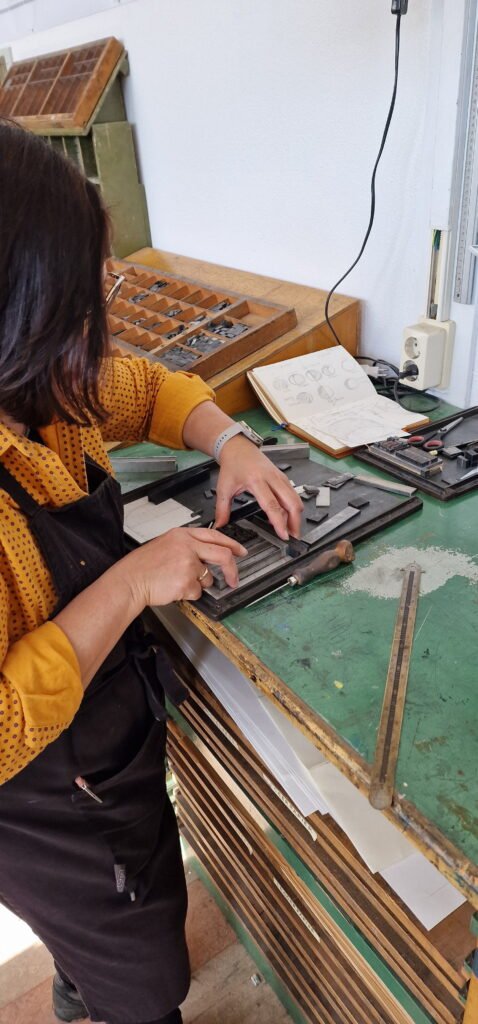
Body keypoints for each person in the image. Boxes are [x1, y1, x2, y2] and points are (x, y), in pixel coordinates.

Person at [0, 119, 302, 1024]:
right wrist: (133, 581)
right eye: (86, 289)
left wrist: (233, 441)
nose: (100, 309)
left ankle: (78, 979)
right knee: (143, 974)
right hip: (42, 801)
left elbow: (148, 388)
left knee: (122, 910)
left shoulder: (42, 387)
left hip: (105, 748)